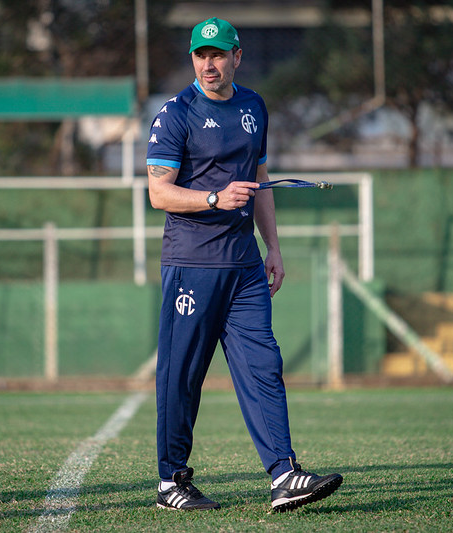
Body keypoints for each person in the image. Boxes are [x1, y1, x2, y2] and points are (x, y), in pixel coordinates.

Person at [146, 17, 343, 512]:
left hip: (246, 267)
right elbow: (158, 193)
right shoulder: (176, 114)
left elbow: (259, 177)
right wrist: (214, 197)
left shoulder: (254, 105)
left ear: (237, 57)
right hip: (193, 265)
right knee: (182, 376)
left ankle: (283, 475)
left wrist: (272, 245)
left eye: (217, 54)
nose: (208, 64)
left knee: (264, 367)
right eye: (199, 55)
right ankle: (172, 481)